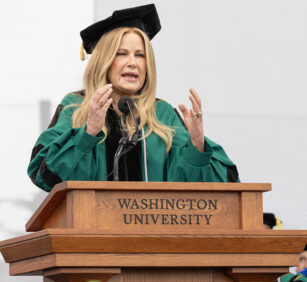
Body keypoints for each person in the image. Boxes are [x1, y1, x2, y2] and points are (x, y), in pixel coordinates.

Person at [28, 4, 238, 191]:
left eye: (140, 55)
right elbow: (44, 176)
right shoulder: (76, 107)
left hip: (155, 233)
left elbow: (218, 188)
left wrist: (198, 147)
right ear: (104, 60)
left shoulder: (162, 115)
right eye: (122, 54)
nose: (133, 63)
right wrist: (88, 132)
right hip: (92, 233)